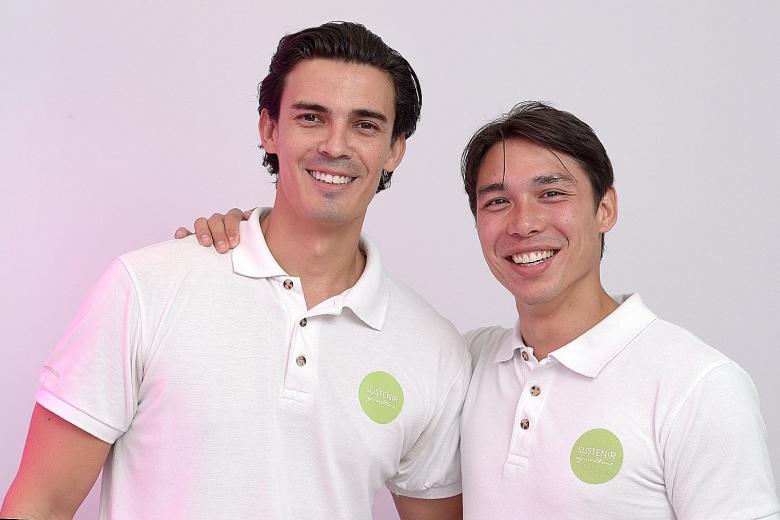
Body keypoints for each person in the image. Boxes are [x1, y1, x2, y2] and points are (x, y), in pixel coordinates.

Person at [182, 102, 780, 519]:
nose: (524, 223)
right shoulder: (464, 363)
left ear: (606, 209)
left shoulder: (697, 387)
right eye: (497, 201)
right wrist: (255, 236)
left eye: (552, 193)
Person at [1, 22, 470, 520]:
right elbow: (40, 504)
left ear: (395, 149)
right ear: (270, 129)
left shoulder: (433, 350)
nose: (336, 145)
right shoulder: (147, 288)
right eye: (312, 117)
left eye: (366, 124)